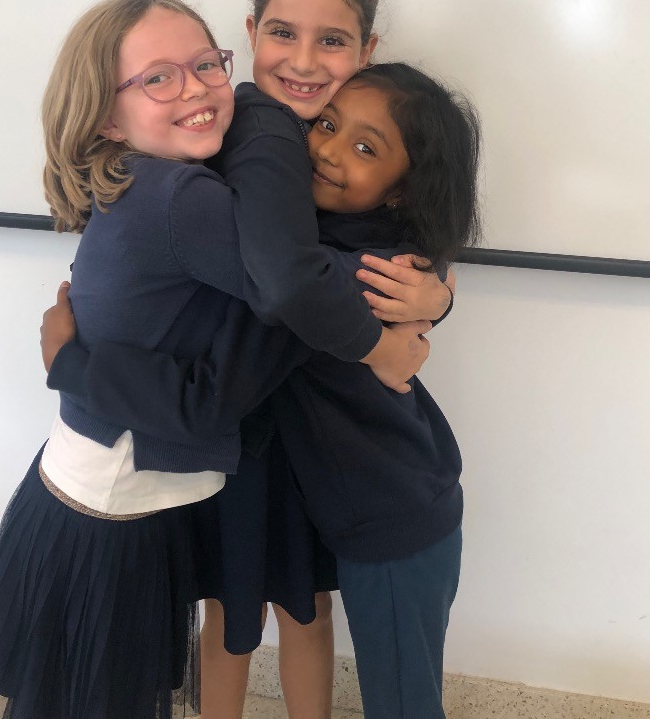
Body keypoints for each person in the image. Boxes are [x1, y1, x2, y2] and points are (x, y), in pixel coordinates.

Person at [0, 0, 431, 719]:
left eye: (206, 65)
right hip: (109, 519)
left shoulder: (152, 176)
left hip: (95, 497)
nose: (197, 90)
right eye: (158, 78)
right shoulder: (180, 198)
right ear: (107, 115)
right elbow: (296, 280)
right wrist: (417, 296)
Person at [43, 61, 481, 719]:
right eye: (325, 125)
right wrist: (438, 299)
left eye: (366, 148)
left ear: (401, 190)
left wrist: (70, 364)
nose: (328, 150)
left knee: (403, 704)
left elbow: (208, 397)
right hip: (354, 498)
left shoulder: (307, 281)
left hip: (394, 515)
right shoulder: (309, 237)